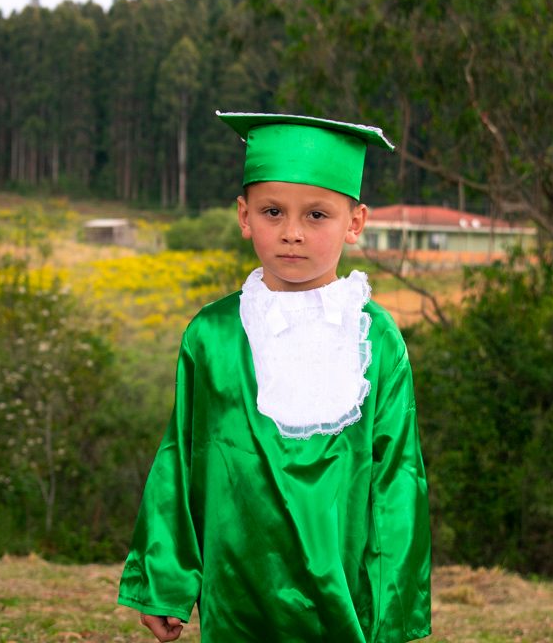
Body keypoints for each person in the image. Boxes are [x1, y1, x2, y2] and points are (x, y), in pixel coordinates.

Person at [117, 111, 432, 642]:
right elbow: (181, 459)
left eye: (316, 215)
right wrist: (165, 580)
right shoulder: (211, 337)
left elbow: (398, 481)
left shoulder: (376, 342)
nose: (291, 233)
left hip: (345, 605)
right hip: (239, 600)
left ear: (354, 223)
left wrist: (395, 611)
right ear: (244, 216)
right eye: (272, 211)